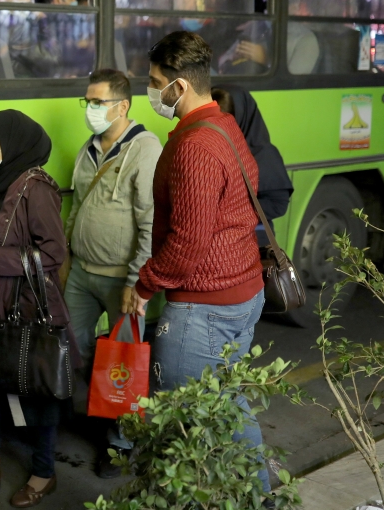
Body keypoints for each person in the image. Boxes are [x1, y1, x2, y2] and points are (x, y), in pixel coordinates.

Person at [133, 31, 272, 497]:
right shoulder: (225, 126)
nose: (150, 92)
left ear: (180, 87)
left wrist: (145, 284)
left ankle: (253, 498)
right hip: (242, 294)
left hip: (203, 309)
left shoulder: (194, 146)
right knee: (228, 411)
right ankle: (263, 497)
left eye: (155, 83)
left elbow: (187, 242)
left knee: (184, 429)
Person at [0, 110, 74, 508]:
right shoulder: (3, 181)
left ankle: (44, 473)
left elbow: (54, 253)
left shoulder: (36, 187)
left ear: (16, 144)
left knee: (37, 389)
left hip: (26, 307)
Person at [63, 69, 161, 477]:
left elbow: (150, 221)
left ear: (122, 106)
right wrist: (66, 257)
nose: (90, 109)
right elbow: (75, 209)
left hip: (122, 279)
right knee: (74, 348)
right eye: (87, 101)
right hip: (81, 273)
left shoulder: (143, 148)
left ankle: (121, 443)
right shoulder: (87, 149)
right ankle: (97, 413)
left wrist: (137, 282)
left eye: (97, 102)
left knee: (124, 365)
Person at [211, 85, 293, 246]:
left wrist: (231, 211)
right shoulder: (208, 148)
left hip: (251, 243)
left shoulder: (264, 154)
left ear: (240, 118)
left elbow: (278, 204)